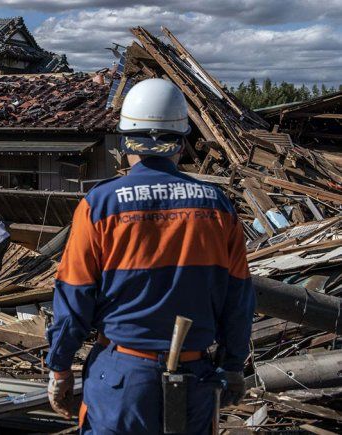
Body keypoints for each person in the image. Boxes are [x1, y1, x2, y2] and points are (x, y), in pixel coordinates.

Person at [46, 78, 254, 434]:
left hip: (124, 379)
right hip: (195, 380)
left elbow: (74, 296)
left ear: (127, 139)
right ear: (181, 141)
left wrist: (60, 368)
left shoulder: (101, 204)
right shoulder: (218, 206)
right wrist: (233, 365)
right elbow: (238, 298)